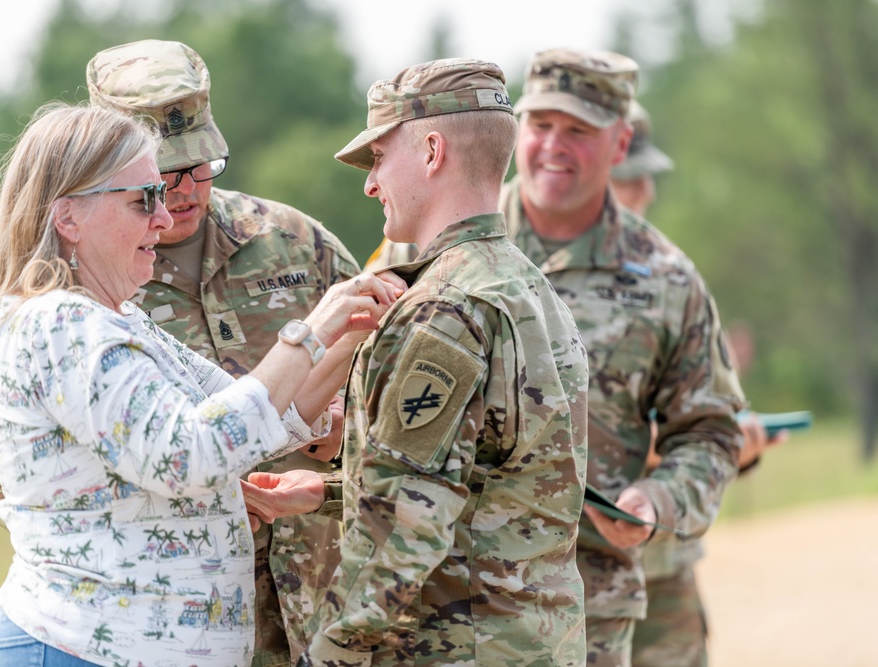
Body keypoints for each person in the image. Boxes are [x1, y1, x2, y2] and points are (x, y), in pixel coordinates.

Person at [0, 102, 398, 666]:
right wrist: (310, 331)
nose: (164, 219)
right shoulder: (59, 325)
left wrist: (346, 335)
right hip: (84, 651)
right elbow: (192, 452)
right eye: (144, 199)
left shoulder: (117, 317)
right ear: (68, 218)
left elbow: (246, 418)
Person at [244, 58, 590, 666]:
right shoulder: (525, 286)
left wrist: (325, 658)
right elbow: (488, 484)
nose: (370, 185)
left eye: (378, 158)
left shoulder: (445, 310)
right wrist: (331, 492)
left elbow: (403, 533)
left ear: (432, 151)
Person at [501, 48, 744, 667]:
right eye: (541, 125)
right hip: (452, 608)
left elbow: (711, 433)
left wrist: (658, 502)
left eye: (578, 130)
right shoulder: (435, 240)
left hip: (592, 611)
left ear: (620, 142)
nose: (554, 145)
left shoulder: (666, 280)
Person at [608, 102, 787, 667]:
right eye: (632, 179)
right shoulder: (516, 277)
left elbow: (701, 416)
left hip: (663, 566)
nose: (647, 194)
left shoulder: (665, 276)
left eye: (647, 178)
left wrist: (735, 446)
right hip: (558, 573)